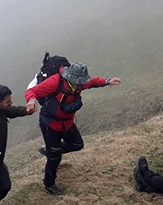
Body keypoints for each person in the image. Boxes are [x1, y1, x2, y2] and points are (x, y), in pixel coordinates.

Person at [25, 62, 121, 195]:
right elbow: (32, 91)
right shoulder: (55, 82)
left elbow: (92, 82)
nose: (81, 85)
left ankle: (50, 151)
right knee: (55, 158)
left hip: (67, 123)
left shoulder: (80, 83)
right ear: (70, 78)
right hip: (50, 124)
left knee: (77, 144)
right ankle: (49, 184)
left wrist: (108, 81)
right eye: (78, 82)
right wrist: (32, 101)